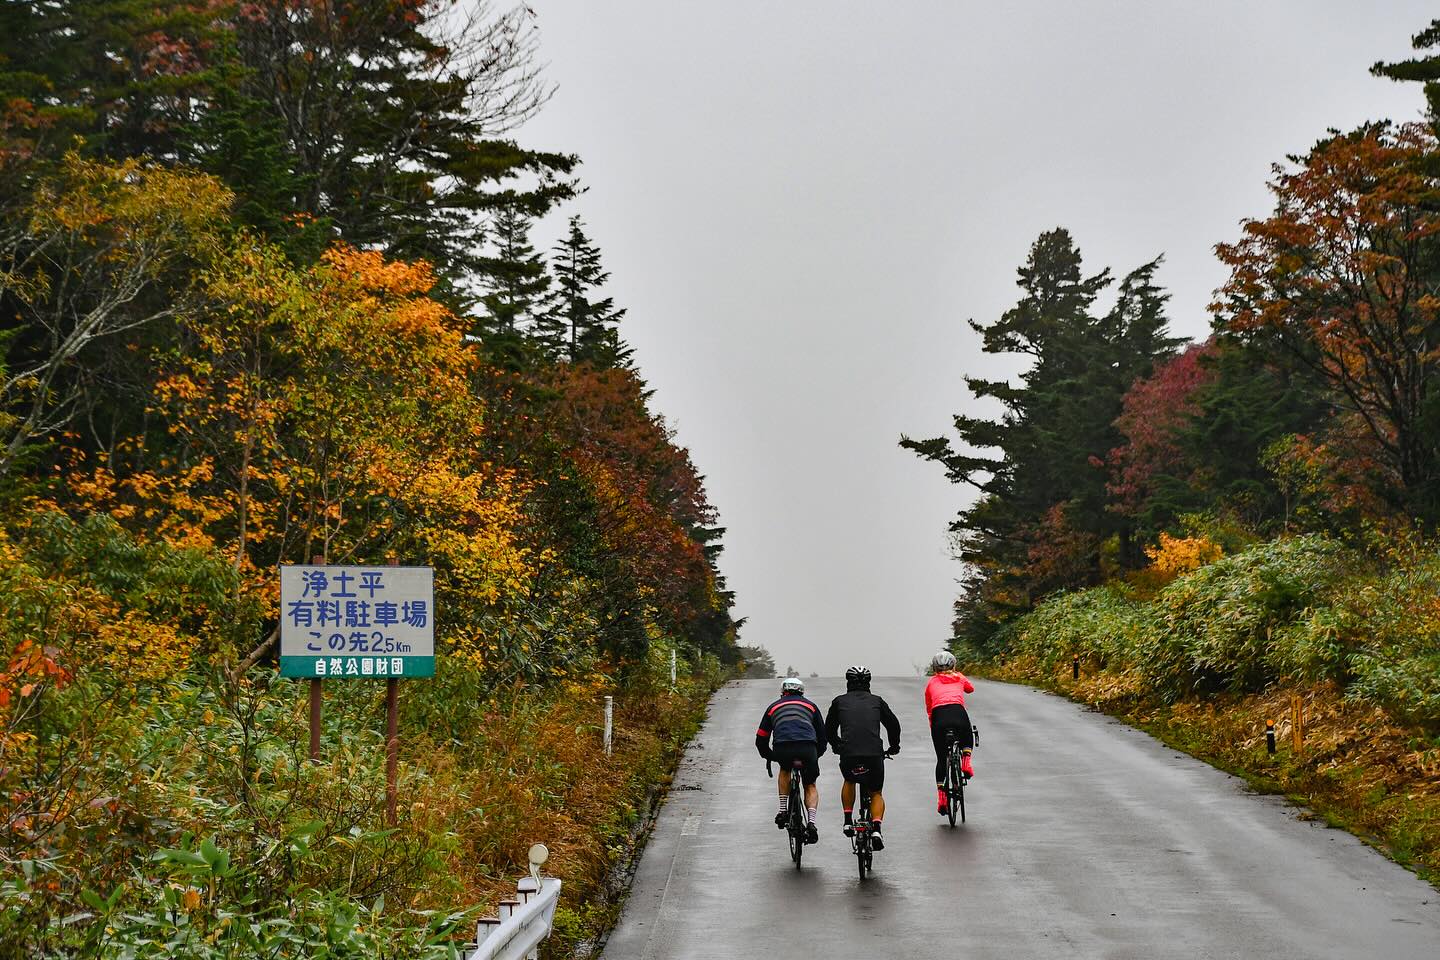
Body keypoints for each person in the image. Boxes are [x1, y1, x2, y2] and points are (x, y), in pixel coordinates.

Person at [824, 665, 901, 850]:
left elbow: (828, 728)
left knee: (849, 780)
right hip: (874, 753)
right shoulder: (877, 701)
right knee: (876, 792)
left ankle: (848, 821)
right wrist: (894, 746)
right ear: (869, 682)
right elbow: (893, 724)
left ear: (848, 682)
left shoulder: (839, 701)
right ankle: (876, 829)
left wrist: (836, 745)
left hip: (849, 752)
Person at [755, 676, 827, 843]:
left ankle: (782, 811)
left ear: (783, 692)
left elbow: (761, 737)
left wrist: (770, 755)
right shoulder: (811, 706)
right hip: (808, 748)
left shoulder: (773, 707)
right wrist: (817, 755)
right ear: (802, 692)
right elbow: (822, 736)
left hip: (783, 747)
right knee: (810, 784)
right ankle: (811, 823)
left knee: (785, 769)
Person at [925, 650, 976, 815]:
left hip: (939, 718)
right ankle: (966, 762)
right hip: (957, 713)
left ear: (934, 668)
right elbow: (970, 689)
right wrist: (958, 675)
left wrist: (933, 725)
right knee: (967, 732)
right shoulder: (959, 677)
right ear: (954, 665)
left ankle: (942, 798)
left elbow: (929, 708)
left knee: (941, 758)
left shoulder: (931, 683)